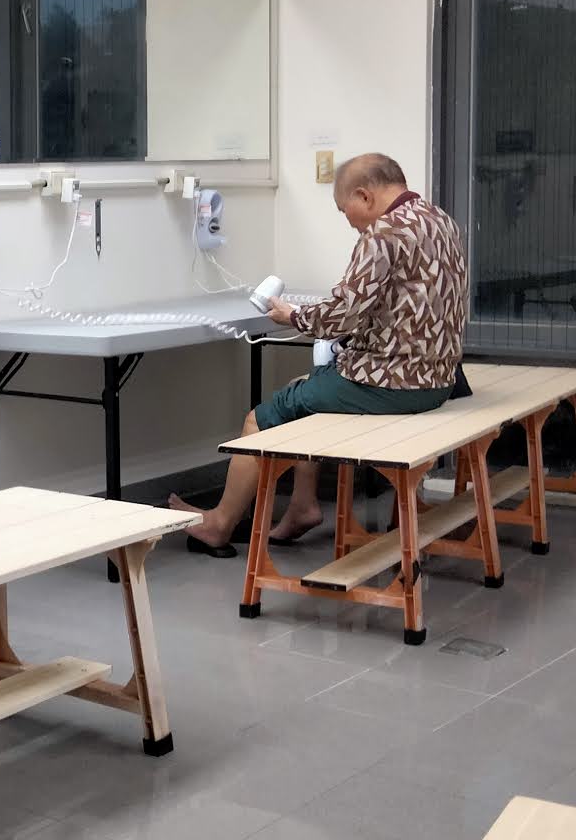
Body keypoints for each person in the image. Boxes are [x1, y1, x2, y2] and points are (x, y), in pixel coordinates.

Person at [173, 152, 468, 555]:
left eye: (345, 210)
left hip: (392, 385)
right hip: (438, 379)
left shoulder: (383, 234)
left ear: (364, 196)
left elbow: (342, 315)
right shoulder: (440, 220)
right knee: (306, 388)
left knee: (260, 419)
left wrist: (291, 315)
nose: (349, 221)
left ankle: (220, 524)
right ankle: (303, 506)